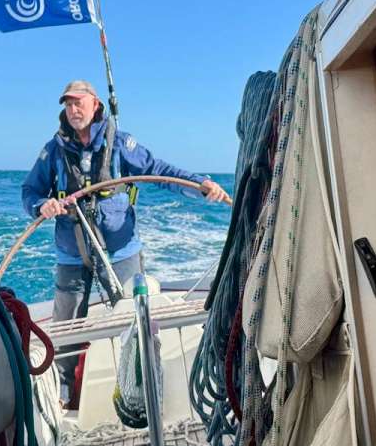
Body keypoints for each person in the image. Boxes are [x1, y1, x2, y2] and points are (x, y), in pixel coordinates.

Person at [21, 79, 230, 406]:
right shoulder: (53, 151)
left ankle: (137, 384)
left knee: (134, 318)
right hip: (72, 252)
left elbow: (159, 171)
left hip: (121, 250)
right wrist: (41, 205)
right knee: (65, 326)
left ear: (95, 105)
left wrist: (200, 184)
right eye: (68, 104)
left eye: (79, 102)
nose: (73, 109)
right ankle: (64, 394)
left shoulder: (120, 143)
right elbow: (29, 192)